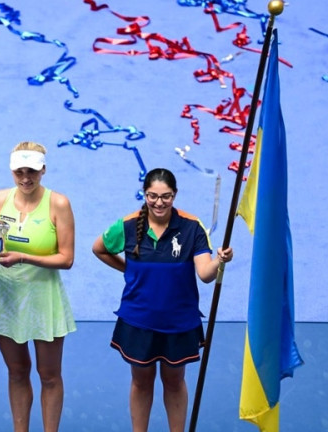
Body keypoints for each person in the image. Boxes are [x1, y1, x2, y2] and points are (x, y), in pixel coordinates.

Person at [91, 168, 233, 432]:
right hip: (138, 319)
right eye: (152, 196)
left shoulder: (192, 227)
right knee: (141, 381)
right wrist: (128, 269)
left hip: (179, 321)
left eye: (166, 196)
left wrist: (219, 261)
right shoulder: (128, 225)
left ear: (174, 195)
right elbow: (98, 248)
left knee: (175, 380)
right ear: (144, 194)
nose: (159, 202)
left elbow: (204, 275)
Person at [0, 141, 76, 432]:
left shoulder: (58, 203)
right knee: (17, 372)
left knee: (49, 375)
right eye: (19, 172)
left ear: (43, 170)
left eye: (32, 172)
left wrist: (24, 256)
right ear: (11, 170)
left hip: (43, 298)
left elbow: (67, 258)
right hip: (7, 296)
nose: (26, 178)